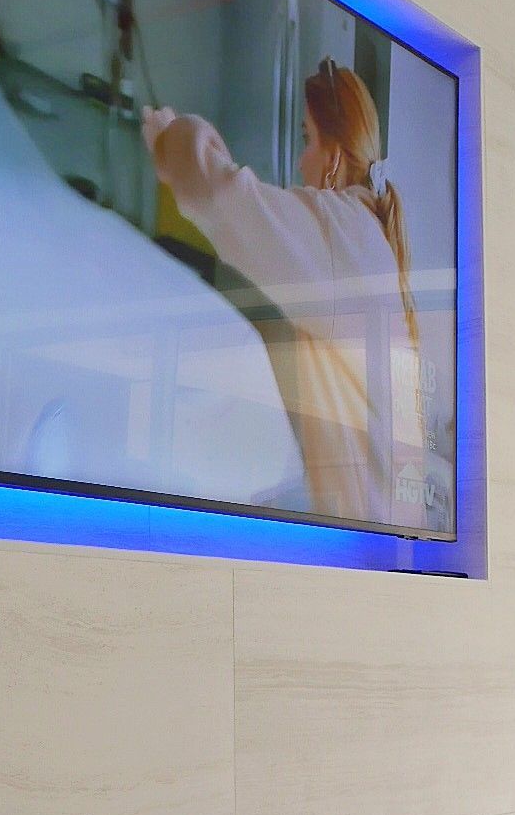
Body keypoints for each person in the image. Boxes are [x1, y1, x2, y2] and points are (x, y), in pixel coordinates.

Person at [142, 58, 423, 525]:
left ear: (334, 159)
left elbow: (223, 198)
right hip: (377, 531)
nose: (300, 161)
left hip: (359, 537)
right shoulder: (369, 240)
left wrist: (169, 135)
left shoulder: (341, 233)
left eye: (307, 139)